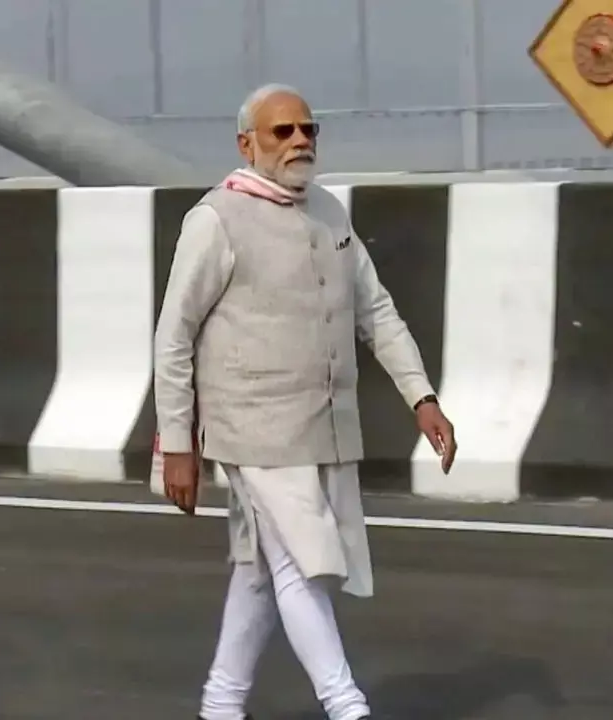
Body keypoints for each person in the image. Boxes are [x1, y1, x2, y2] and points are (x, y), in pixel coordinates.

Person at [152, 82, 458, 720]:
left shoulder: (328, 212)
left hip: (324, 426)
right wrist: (176, 443)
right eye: (282, 131)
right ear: (247, 144)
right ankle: (346, 706)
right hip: (253, 429)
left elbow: (375, 311)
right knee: (301, 563)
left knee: (262, 569)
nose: (299, 141)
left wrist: (421, 396)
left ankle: (220, 705)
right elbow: (174, 335)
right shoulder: (216, 219)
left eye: (307, 130)